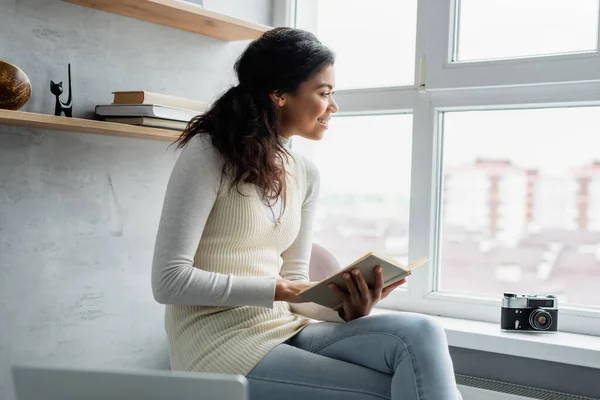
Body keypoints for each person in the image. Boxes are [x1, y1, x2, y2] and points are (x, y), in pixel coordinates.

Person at [151, 27, 462, 400]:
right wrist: (280, 288)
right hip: (218, 344)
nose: (333, 107)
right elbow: (168, 282)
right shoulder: (208, 153)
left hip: (286, 327)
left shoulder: (305, 174)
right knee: (392, 390)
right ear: (280, 95)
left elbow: (296, 281)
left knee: (422, 333)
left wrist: (347, 309)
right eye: (324, 93)